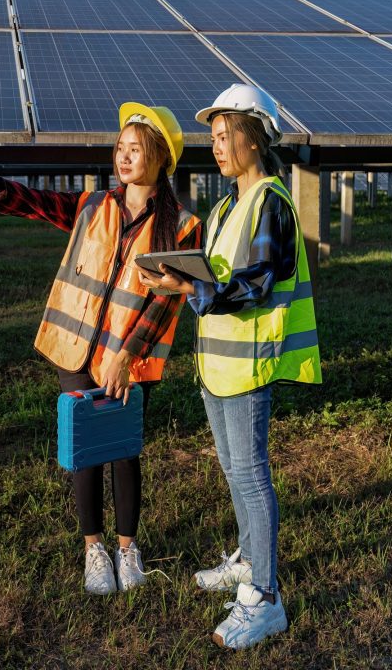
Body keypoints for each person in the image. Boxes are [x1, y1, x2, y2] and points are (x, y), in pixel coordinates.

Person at [0, 102, 202, 596]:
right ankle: (95, 549)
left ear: (160, 159)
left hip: (128, 361)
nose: (124, 156)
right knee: (87, 449)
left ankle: (128, 549)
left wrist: (125, 357)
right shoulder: (93, 206)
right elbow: (30, 200)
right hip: (75, 351)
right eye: (121, 148)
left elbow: (163, 305)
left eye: (136, 149)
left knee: (125, 452)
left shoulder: (182, 225)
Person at [137, 84, 321, 648]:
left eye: (225, 136)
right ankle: (247, 560)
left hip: (247, 367)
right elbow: (214, 276)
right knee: (234, 472)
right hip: (216, 366)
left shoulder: (270, 202)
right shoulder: (224, 206)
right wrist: (180, 278)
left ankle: (264, 599)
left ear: (253, 138)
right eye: (212, 138)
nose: (216, 147)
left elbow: (256, 281)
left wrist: (191, 286)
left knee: (251, 474)